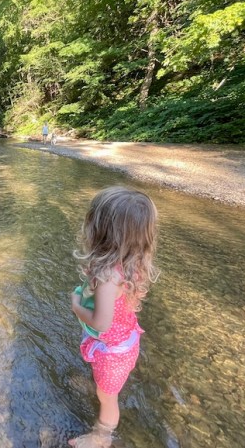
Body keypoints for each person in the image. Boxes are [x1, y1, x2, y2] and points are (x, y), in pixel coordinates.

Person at [69, 186, 159, 448]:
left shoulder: (109, 277)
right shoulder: (134, 261)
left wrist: (77, 306)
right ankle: (102, 387)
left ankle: (101, 437)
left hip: (113, 352)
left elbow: (100, 323)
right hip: (126, 341)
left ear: (100, 231)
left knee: (108, 398)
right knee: (106, 389)